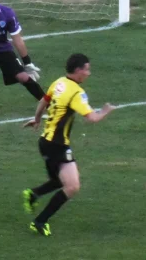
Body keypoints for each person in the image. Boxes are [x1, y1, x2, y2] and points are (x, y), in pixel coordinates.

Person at [22, 53, 116, 237]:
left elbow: (44, 101)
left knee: (59, 180)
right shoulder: (76, 92)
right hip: (57, 145)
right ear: (78, 70)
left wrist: (36, 119)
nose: (89, 73)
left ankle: (33, 194)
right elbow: (92, 118)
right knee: (72, 186)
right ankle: (40, 221)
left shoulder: (59, 82)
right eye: (87, 69)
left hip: (45, 142)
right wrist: (105, 111)